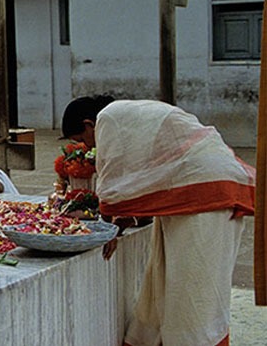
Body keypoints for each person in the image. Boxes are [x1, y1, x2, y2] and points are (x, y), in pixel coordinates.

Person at [61, 95, 255, 346]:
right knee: (163, 283)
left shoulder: (108, 117)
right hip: (196, 194)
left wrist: (106, 226)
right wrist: (125, 220)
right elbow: (150, 176)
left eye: (82, 140)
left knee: (192, 293)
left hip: (208, 198)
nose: (87, 148)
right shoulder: (130, 114)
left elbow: (111, 179)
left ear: (89, 124)